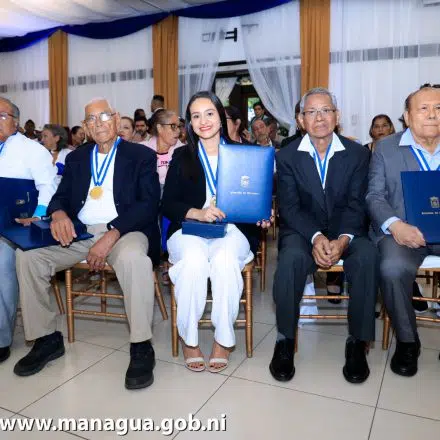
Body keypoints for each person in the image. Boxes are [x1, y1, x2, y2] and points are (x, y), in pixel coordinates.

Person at [13, 98, 161, 390]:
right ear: (86, 127)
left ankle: (141, 345)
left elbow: (148, 203)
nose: (98, 123)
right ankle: (46, 339)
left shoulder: (140, 155)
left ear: (116, 119)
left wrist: (112, 234)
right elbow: (60, 197)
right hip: (81, 232)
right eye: (91, 120)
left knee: (134, 260)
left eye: (104, 116)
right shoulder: (77, 158)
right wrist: (57, 214)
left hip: (126, 230)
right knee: (27, 256)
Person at [270, 87, 378, 384]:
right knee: (290, 260)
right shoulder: (287, 156)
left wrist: (342, 239)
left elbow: (357, 204)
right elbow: (289, 207)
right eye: (311, 112)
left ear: (337, 116)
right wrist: (317, 237)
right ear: (301, 120)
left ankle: (358, 342)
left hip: (347, 230)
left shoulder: (357, 154)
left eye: (326, 110)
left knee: (368, 256)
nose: (319, 118)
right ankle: (285, 340)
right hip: (303, 230)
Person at [162, 91, 267, 373]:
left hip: (232, 229)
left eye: (209, 113)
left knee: (224, 260)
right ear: (190, 124)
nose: (203, 121)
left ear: (221, 117)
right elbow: (168, 203)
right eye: (196, 116)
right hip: (190, 228)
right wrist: (198, 212)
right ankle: (189, 338)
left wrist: (261, 215)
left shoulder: (245, 154)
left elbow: (259, 198)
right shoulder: (182, 156)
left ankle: (223, 339)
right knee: (193, 262)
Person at [366, 84, 440, 377]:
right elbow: (374, 196)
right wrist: (395, 225)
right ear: (407, 117)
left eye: (439, 108)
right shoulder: (386, 148)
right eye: (424, 109)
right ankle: (408, 341)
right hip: (402, 232)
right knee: (392, 268)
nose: (432, 114)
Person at [0, 97, 57, 364]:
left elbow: (48, 187)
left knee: (1, 262)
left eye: (2, 116)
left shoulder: (33, 151)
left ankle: (1, 338)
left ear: (16, 122)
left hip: (16, 228)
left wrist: (37, 215)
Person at [141, 109, 184, 194]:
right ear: (159, 128)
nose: (178, 131)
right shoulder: (142, 149)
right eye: (173, 126)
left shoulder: (184, 151)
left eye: (179, 126)